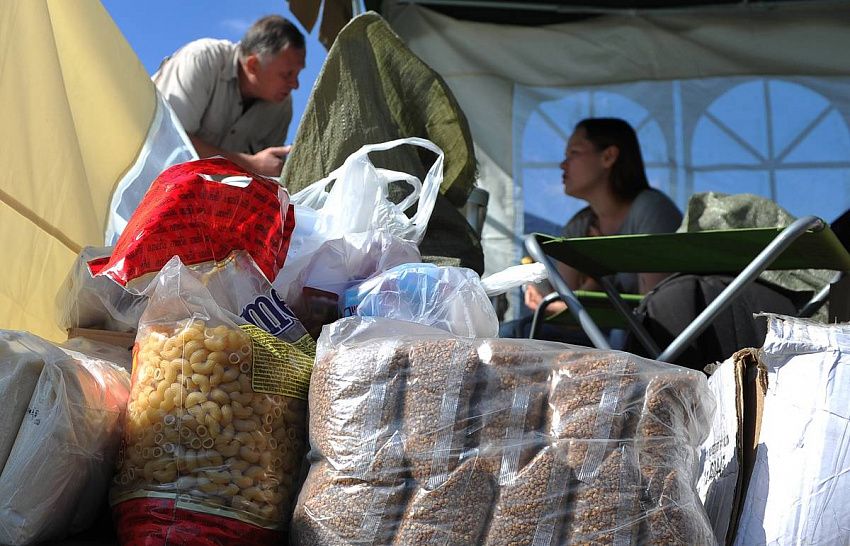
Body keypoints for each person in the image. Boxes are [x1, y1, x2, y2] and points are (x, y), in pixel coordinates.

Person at [503, 117, 682, 340]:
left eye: (573, 153)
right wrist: (587, 286)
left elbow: (657, 310)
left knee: (620, 336)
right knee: (511, 332)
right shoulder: (581, 225)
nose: (562, 164)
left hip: (648, 341)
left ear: (608, 156)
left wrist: (580, 295)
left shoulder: (651, 210)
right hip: (602, 337)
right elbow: (566, 306)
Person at [153, 15, 306, 176]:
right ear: (253, 65)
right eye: (287, 74)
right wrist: (249, 164)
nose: (295, 85)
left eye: (298, 74)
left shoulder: (281, 107)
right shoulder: (201, 59)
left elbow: (269, 173)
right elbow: (166, 139)